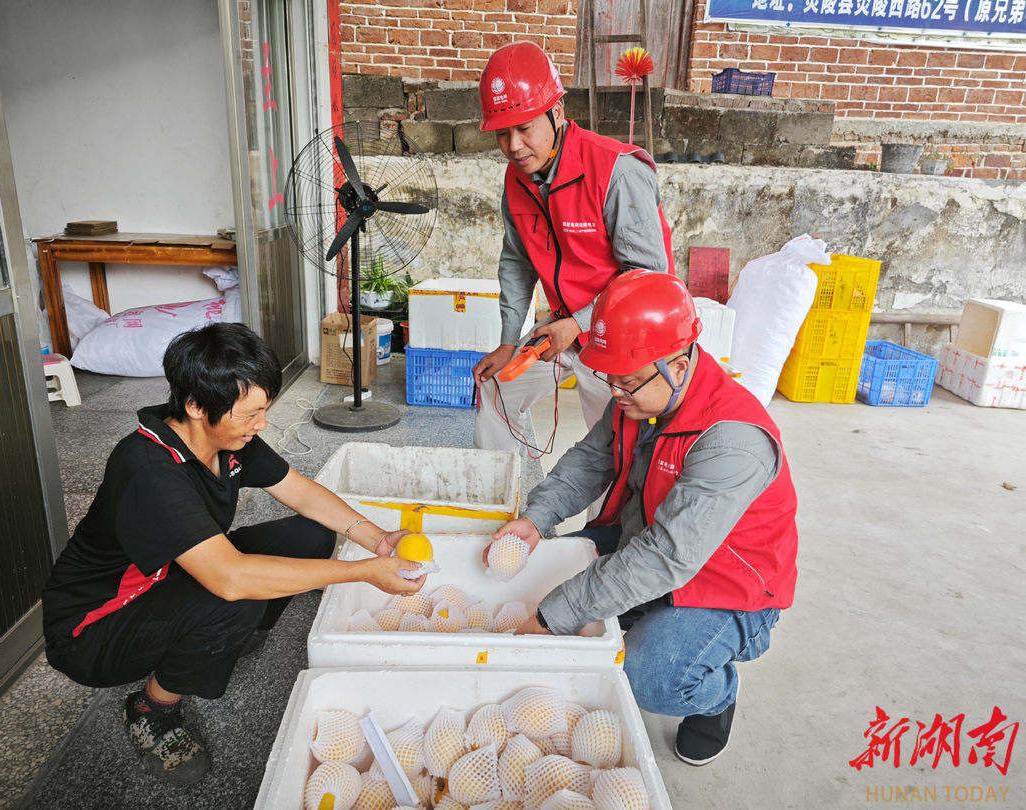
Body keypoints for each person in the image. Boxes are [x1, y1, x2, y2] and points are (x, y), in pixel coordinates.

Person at [41, 323, 425, 786]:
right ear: (196, 405)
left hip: (174, 575)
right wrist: (363, 571)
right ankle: (152, 707)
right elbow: (231, 578)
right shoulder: (149, 469)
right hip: (94, 627)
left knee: (310, 536)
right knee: (237, 596)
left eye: (264, 410)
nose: (261, 425)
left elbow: (300, 492)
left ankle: (226, 638)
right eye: (250, 414)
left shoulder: (228, 439)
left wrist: (376, 539)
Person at [485, 271, 798, 766]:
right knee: (557, 574)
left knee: (649, 675)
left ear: (679, 365)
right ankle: (636, 616)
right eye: (610, 378)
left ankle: (717, 694)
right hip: (648, 537)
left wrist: (550, 617)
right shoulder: (642, 395)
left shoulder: (733, 441)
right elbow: (591, 460)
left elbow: (666, 557)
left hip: (730, 587)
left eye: (627, 381)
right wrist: (536, 519)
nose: (616, 392)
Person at [472, 41, 675, 454]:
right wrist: (509, 342)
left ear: (557, 113)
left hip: (622, 337)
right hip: (564, 326)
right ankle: (504, 491)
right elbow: (517, 261)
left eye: (525, 127)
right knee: (496, 389)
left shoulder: (617, 172)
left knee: (612, 449)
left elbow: (648, 277)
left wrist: (579, 324)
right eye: (502, 134)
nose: (514, 146)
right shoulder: (517, 180)